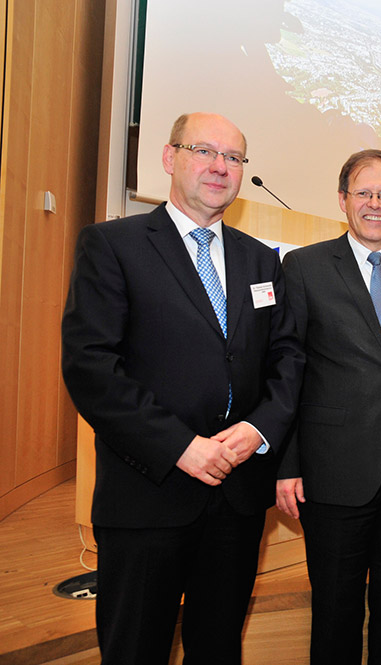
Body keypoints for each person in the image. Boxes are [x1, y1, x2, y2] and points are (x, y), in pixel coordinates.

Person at [61, 112, 305, 664]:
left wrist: (260, 429)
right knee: (136, 650)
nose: (220, 166)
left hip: (238, 498)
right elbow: (91, 367)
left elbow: (287, 357)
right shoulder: (113, 245)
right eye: (204, 151)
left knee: (218, 648)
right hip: (148, 493)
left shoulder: (262, 259)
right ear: (170, 159)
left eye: (234, 157)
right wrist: (181, 447)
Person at [275, 149, 381, 664]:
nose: (376, 204)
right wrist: (288, 464)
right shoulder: (304, 267)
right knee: (336, 607)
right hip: (333, 467)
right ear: (343, 200)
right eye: (364, 193)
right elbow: (287, 366)